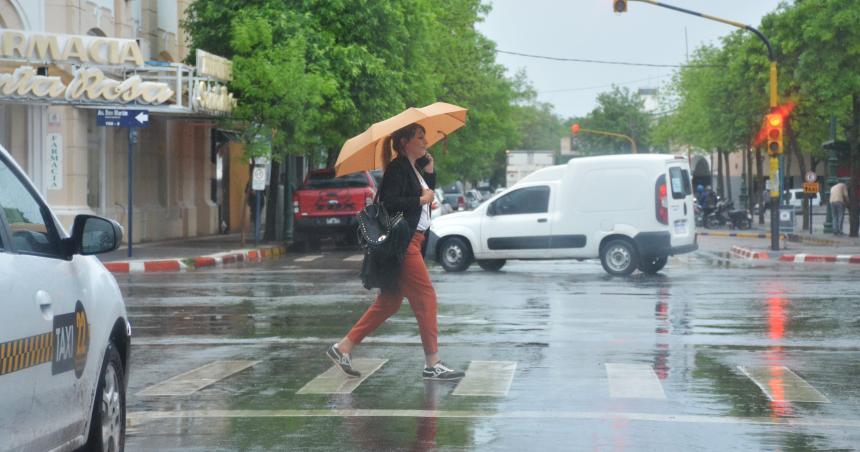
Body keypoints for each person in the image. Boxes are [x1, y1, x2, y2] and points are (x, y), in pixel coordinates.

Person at [326, 123, 466, 381]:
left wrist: (430, 173)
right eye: (419, 137)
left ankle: (343, 347)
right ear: (404, 143)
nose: (425, 141)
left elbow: (426, 198)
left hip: (415, 240)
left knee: (389, 302)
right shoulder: (398, 168)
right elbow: (390, 202)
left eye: (425, 136)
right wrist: (419, 199)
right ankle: (432, 363)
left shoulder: (413, 168)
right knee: (426, 298)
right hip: (405, 243)